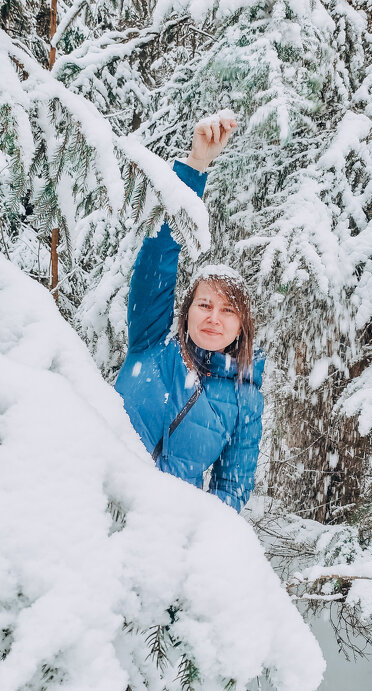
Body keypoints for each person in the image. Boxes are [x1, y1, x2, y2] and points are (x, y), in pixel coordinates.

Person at [115, 113, 264, 512]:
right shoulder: (151, 341)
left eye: (228, 311)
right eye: (205, 304)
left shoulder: (245, 398)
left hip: (156, 532)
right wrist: (195, 168)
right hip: (90, 502)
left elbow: (231, 490)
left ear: (241, 328)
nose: (214, 317)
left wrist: (194, 544)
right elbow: (158, 257)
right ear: (187, 312)